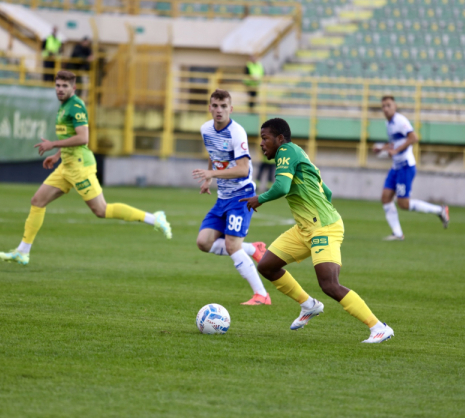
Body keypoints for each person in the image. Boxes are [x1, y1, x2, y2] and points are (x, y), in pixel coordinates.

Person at [240, 118, 394, 343]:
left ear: (280, 139)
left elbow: (282, 187)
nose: (261, 144)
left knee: (329, 284)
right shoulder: (298, 154)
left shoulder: (285, 152)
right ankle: (308, 305)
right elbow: (327, 192)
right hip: (306, 228)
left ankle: (378, 327)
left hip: (322, 227)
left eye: (265, 138)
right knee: (267, 266)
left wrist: (259, 199)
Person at [0, 71, 171, 265]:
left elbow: (83, 138)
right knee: (37, 201)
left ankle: (154, 219)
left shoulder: (76, 106)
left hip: (80, 166)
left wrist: (53, 145)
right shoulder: (63, 107)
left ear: (74, 88)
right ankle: (23, 251)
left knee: (101, 210)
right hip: (67, 164)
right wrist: (56, 156)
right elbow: (69, 138)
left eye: (65, 86)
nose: (60, 89)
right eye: (58, 85)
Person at [192, 89, 270, 305]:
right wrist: (208, 180)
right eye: (215, 106)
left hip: (241, 197)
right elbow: (213, 153)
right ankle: (254, 249)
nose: (219, 110)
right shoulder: (205, 129)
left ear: (231, 109)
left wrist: (212, 173)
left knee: (232, 246)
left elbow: (244, 169)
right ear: (209, 107)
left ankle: (261, 295)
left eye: (223, 106)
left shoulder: (237, 132)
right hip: (223, 198)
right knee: (203, 242)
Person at [376, 96, 449, 241]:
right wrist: (381, 148)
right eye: (383, 106)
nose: (385, 108)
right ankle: (397, 234)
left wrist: (396, 152)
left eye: (388, 105)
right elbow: (395, 143)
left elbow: (413, 137)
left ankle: (440, 210)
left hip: (405, 166)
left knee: (404, 204)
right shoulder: (388, 123)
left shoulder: (400, 121)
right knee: (385, 198)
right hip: (396, 167)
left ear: (395, 106)